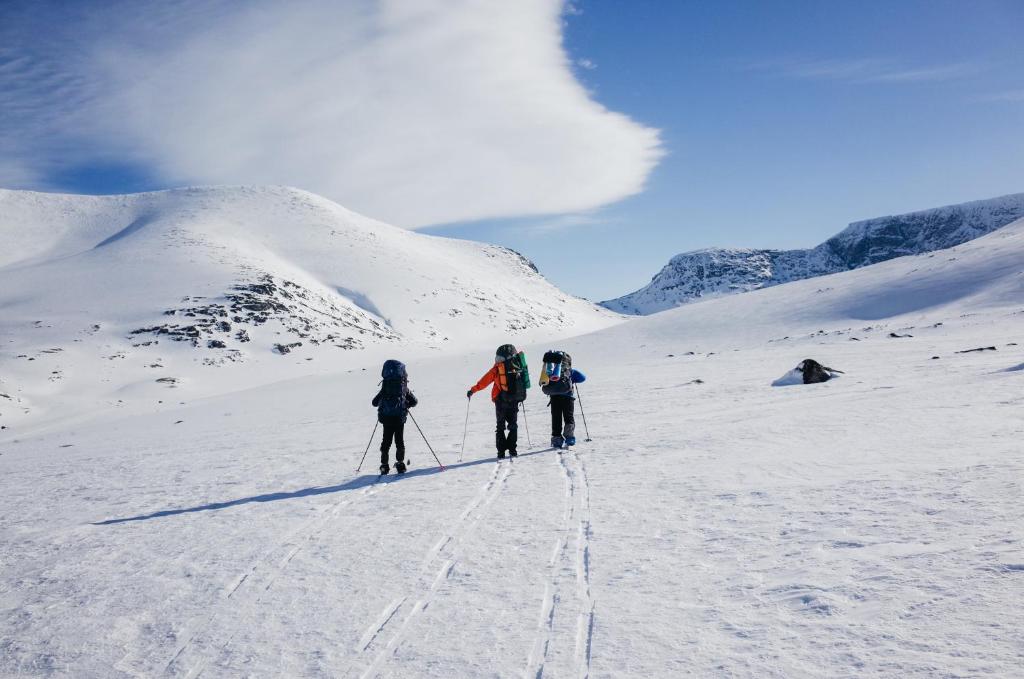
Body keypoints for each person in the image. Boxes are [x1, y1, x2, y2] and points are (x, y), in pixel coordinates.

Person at [467, 344, 530, 459]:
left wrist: (472, 390)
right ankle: (513, 450)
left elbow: (484, 381)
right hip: (514, 400)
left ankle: (501, 452)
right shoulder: (518, 365)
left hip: (500, 400)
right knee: (513, 424)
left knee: (500, 426)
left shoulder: (498, 368)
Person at [372, 359, 418, 475]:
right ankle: (400, 464)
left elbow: (374, 402)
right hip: (399, 418)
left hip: (386, 418)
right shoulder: (403, 388)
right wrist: (405, 404)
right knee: (399, 441)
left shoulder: (385, 387)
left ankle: (384, 466)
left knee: (386, 442)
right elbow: (414, 402)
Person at [540, 350, 586, 449]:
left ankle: (557, 439)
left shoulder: (551, 370)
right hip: (568, 397)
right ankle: (569, 438)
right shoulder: (569, 371)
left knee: (556, 418)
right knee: (568, 417)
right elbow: (583, 378)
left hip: (554, 397)